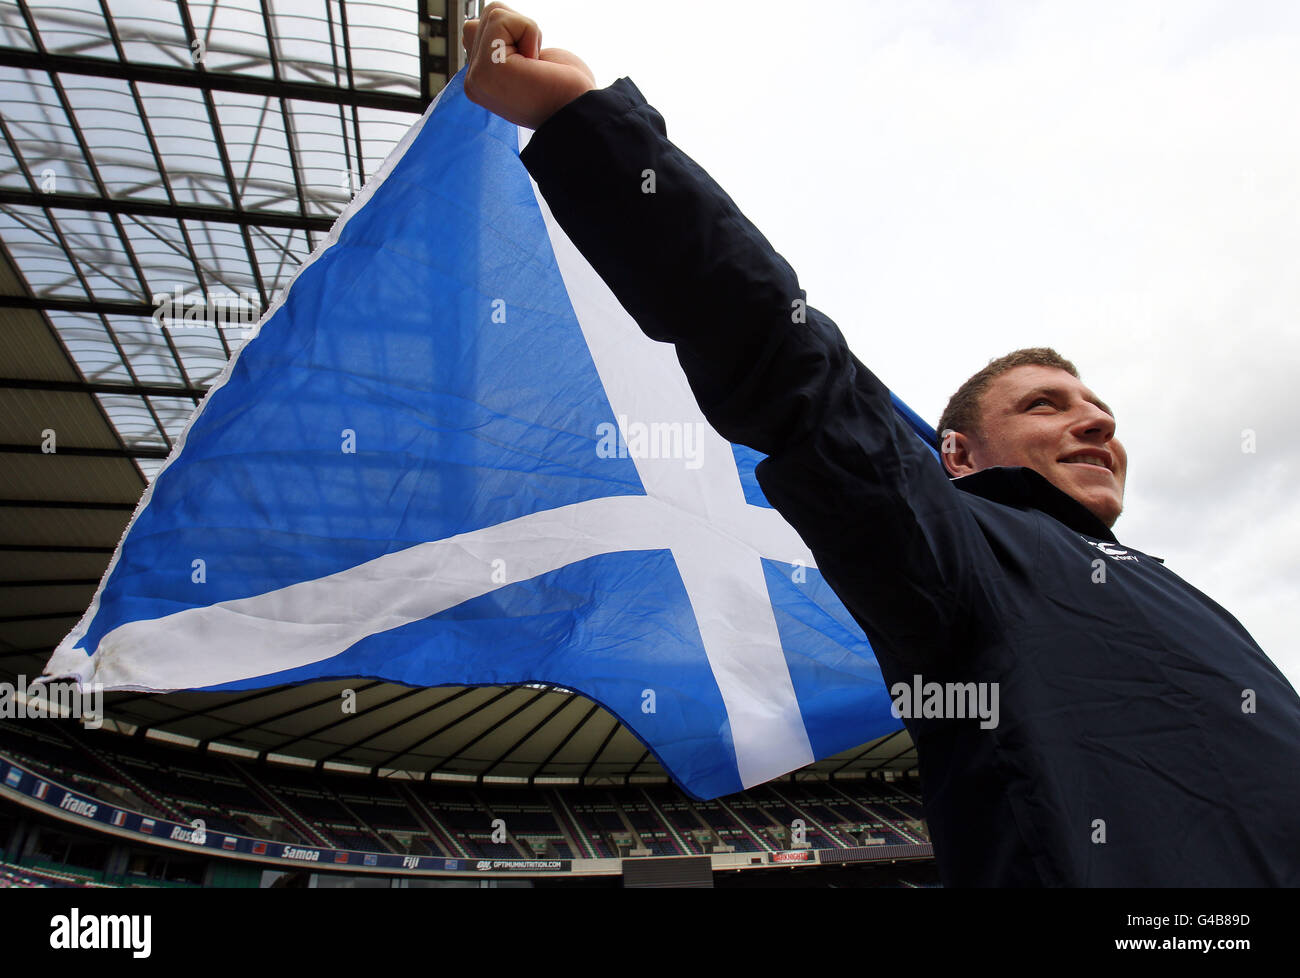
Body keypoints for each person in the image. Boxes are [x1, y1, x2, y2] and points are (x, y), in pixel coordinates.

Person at [461, 3, 1300, 886]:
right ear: (960, 457)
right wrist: (583, 126)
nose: (1097, 422)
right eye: (1047, 406)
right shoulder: (959, 553)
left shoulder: (1177, 590)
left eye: (1099, 408)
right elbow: (788, 365)